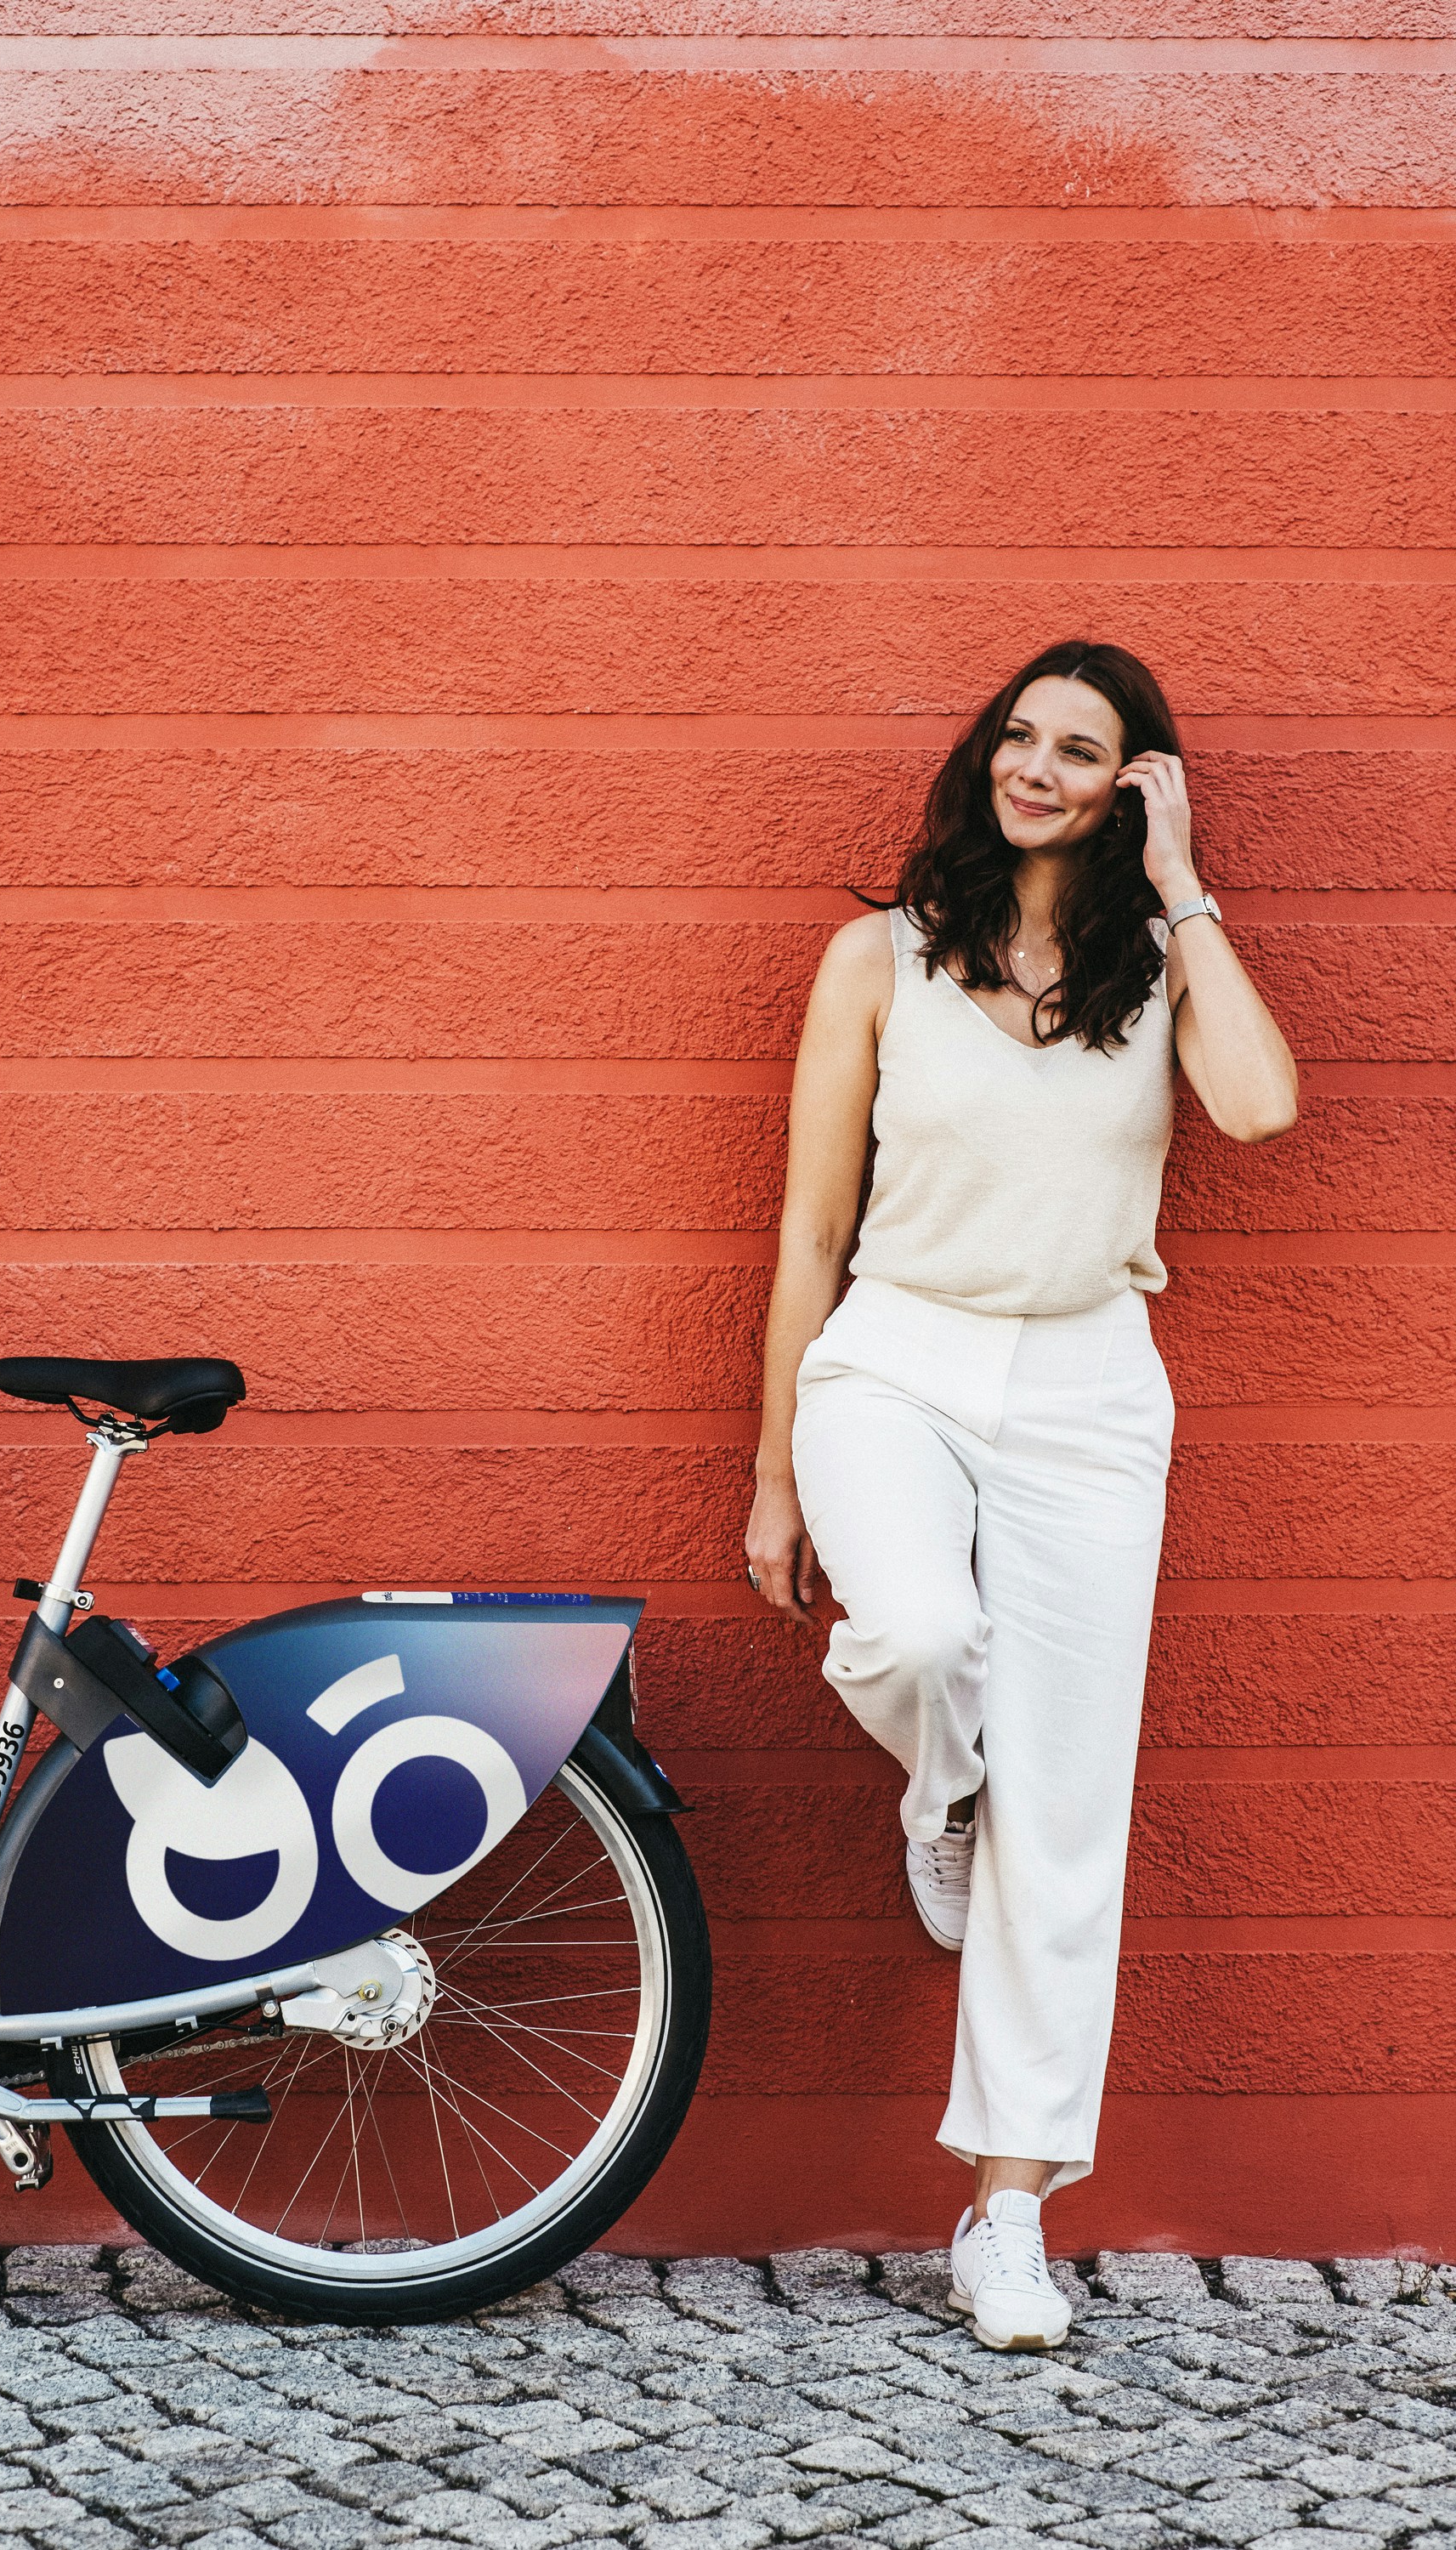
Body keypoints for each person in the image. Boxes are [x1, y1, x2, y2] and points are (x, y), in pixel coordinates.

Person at [744, 639, 1297, 2352]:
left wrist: (1185, 884)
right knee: (911, 1633)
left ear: (1129, 781)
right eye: (1020, 737)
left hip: (1083, 1387)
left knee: (1066, 1820)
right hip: (894, 1358)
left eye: (1081, 749)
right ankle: (939, 1789)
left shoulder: (1154, 966)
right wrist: (773, 1478)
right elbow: (809, 1236)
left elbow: (1262, 1109)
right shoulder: (878, 962)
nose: (1036, 767)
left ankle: (1003, 2211)